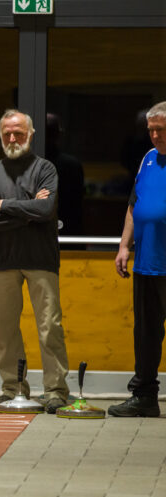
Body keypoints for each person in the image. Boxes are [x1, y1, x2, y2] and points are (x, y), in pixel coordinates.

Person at [0, 109, 70, 414]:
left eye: (18, 132)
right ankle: (13, 390)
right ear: (0, 136)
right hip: (2, 261)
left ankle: (55, 391)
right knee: (5, 330)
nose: (13, 138)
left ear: (30, 134)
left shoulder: (45, 169)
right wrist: (28, 211)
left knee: (49, 327)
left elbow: (45, 211)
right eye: (7, 133)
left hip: (41, 259)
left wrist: (5, 205)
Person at [108, 101, 166, 418]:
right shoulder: (147, 158)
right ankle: (144, 396)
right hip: (147, 262)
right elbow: (134, 205)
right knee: (146, 334)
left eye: (161, 130)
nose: (155, 136)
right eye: (151, 130)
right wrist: (124, 246)